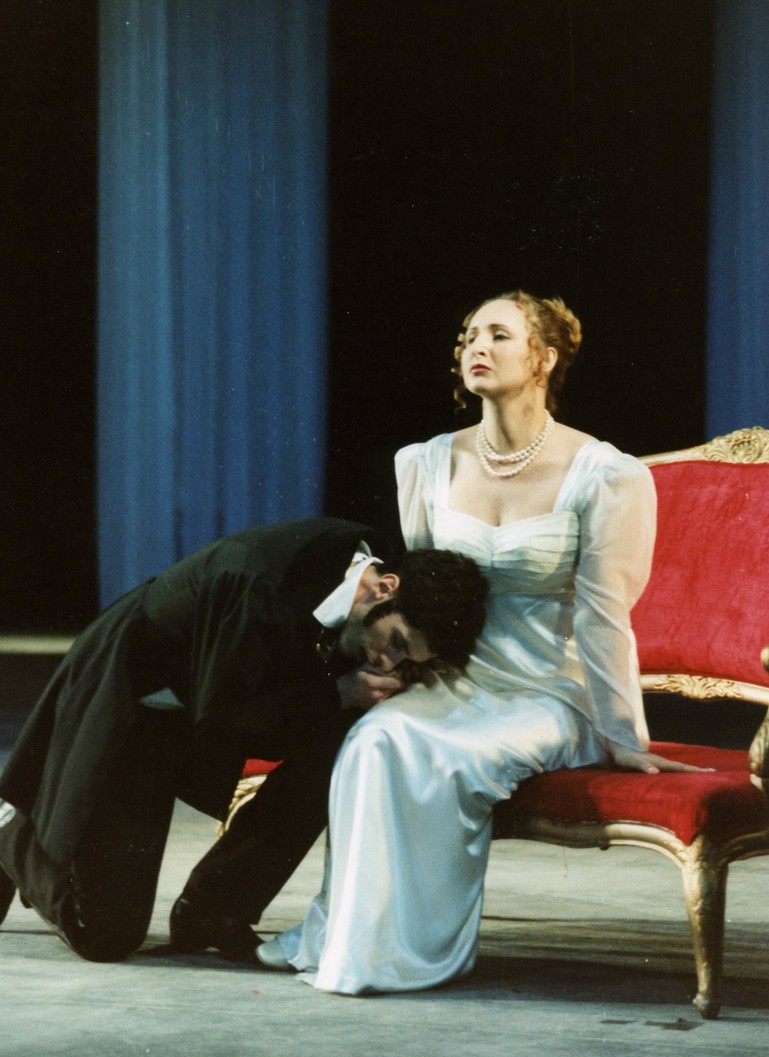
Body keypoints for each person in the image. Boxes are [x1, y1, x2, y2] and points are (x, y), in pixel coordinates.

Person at [259, 290, 704, 993]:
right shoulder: (426, 463)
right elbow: (419, 593)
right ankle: (356, 940)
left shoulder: (605, 474)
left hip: (550, 690)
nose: (477, 346)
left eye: (499, 335)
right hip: (456, 680)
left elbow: (603, 615)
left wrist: (621, 734)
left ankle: (410, 953)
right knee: (375, 741)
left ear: (543, 359)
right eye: (470, 334)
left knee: (443, 756)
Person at [0, 517, 487, 963]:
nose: (386, 662)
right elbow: (225, 723)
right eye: (395, 643)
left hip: (202, 715)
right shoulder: (261, 585)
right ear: (385, 588)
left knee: (338, 753)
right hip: (134, 714)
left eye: (406, 660)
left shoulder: (362, 570)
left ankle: (211, 910)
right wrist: (336, 693)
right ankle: (8, 828)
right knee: (105, 936)